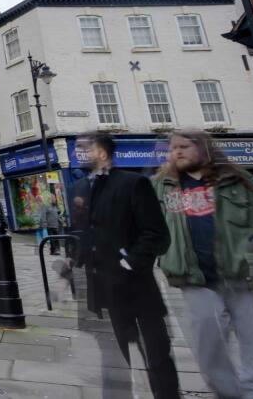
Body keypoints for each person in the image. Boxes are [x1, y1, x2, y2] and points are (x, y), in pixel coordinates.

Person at [152, 130, 253, 398]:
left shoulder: (239, 180)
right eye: (173, 148)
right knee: (209, 345)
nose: (177, 152)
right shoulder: (160, 185)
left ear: (204, 148)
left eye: (184, 146)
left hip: (241, 274)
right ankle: (227, 393)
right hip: (194, 277)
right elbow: (146, 225)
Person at [69, 132, 179, 399]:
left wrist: (130, 263)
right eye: (77, 148)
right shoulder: (80, 189)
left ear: (103, 152)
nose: (78, 152)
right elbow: (82, 233)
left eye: (85, 147)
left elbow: (156, 233)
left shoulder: (134, 183)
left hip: (137, 285)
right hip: (104, 286)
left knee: (156, 352)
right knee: (121, 353)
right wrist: (72, 261)